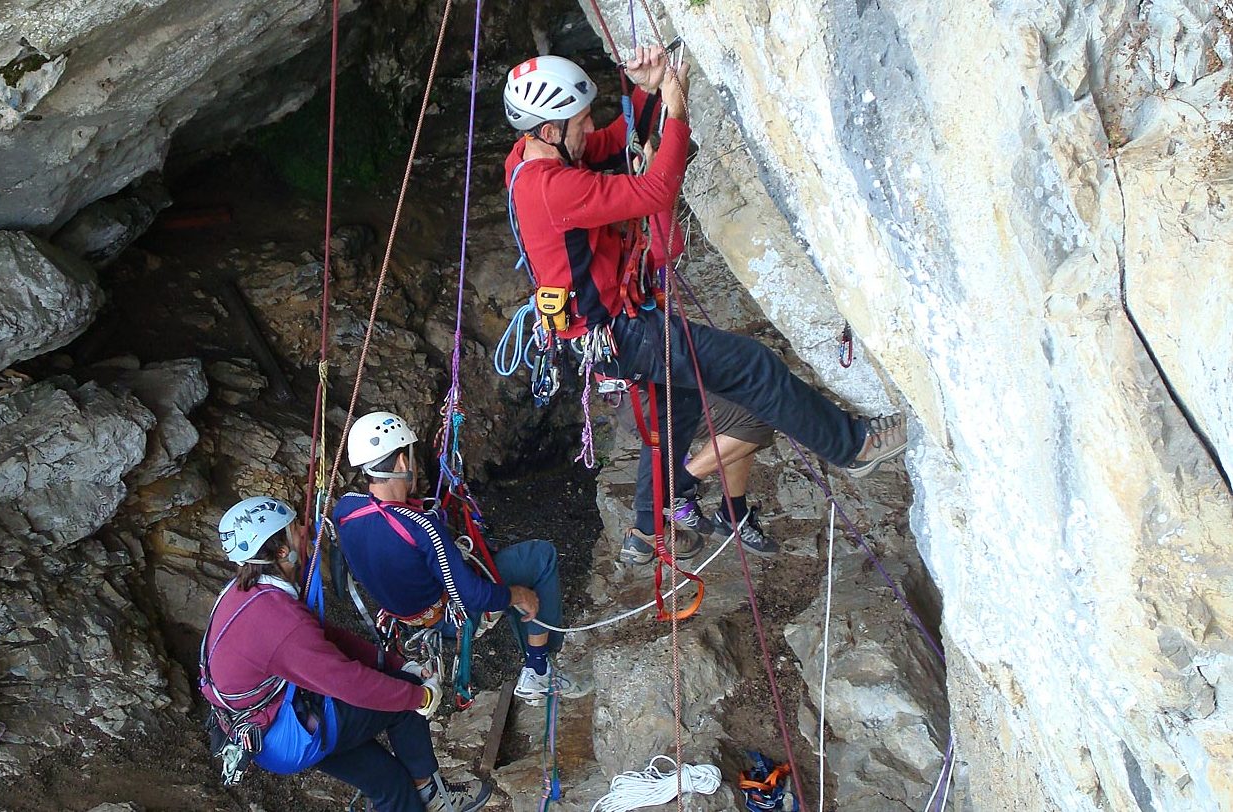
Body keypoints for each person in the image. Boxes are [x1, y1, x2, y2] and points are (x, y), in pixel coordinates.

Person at [500, 49, 907, 567]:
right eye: (580, 122)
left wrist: (647, 89)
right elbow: (655, 190)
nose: (589, 128)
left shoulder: (529, 158)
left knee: (678, 411)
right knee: (754, 366)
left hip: (606, 331)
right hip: (622, 334)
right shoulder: (554, 189)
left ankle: (647, 529)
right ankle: (854, 447)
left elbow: (616, 141)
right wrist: (677, 109)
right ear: (551, 130)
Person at [202, 496, 491, 812]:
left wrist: (392, 662)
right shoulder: (277, 620)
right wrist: (419, 697)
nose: (304, 529)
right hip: (288, 736)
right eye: (294, 527)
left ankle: (417, 797)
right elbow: (348, 682)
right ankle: (431, 794)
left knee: (389, 781)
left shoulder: (245, 592)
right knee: (402, 698)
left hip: (263, 727)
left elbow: (323, 637)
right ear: (282, 551)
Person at [333, 411, 591, 705]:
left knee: (497, 563)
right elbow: (473, 596)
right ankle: (539, 671)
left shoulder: (345, 510)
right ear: (403, 463)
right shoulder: (420, 527)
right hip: (447, 618)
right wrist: (520, 595)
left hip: (403, 618)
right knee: (540, 557)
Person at [666, 394, 777, 557]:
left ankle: (733, 514)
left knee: (744, 417)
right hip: (658, 401)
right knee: (756, 416)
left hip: (666, 397)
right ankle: (678, 487)